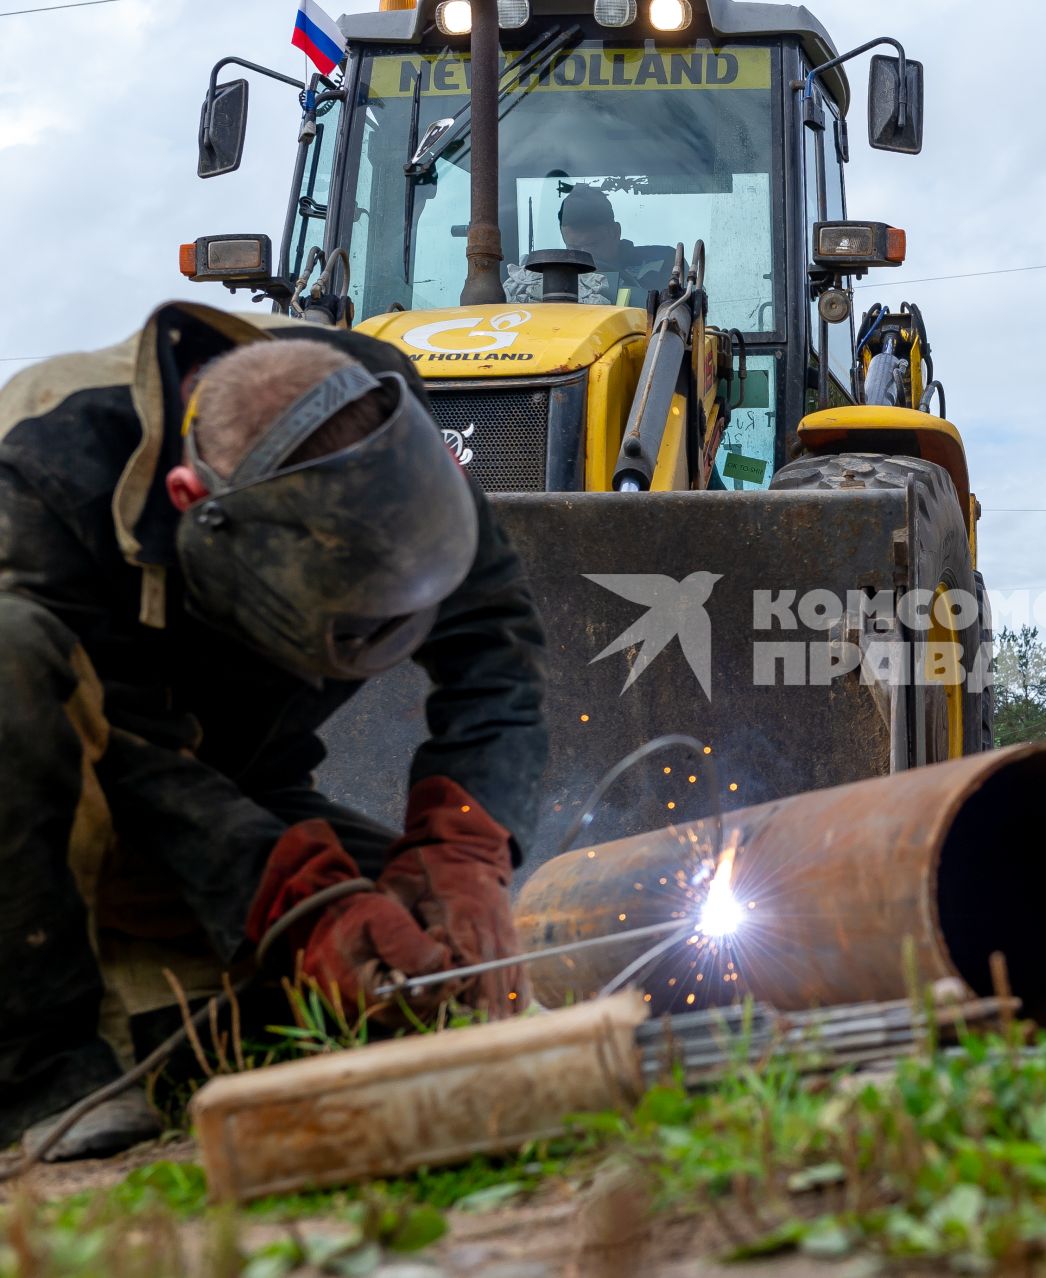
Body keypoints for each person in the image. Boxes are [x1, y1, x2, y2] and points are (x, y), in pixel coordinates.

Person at [0, 302, 549, 1160]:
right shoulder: (44, 474)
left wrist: (462, 848)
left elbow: (496, 646)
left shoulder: (377, 422)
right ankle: (34, 1072)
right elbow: (136, 766)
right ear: (195, 505)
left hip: (237, 788)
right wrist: (304, 902)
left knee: (428, 973)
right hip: (70, 815)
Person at [506, 184, 674, 306]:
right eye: (573, 247)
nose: (583, 255)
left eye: (593, 245)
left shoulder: (661, 265)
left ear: (616, 232)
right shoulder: (537, 275)